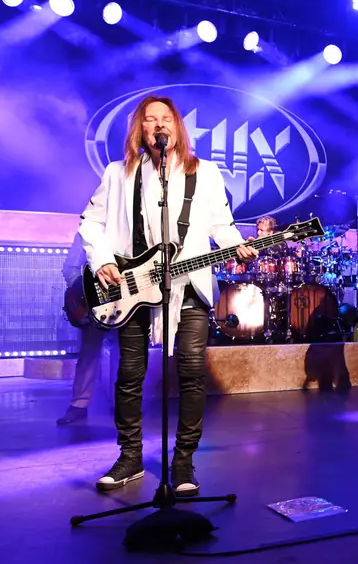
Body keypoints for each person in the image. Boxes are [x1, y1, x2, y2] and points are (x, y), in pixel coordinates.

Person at [78, 95, 258, 495]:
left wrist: (238, 244)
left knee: (192, 374)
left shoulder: (205, 173)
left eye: (165, 119)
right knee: (130, 375)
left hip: (189, 285)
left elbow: (220, 225)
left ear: (177, 127)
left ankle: (183, 463)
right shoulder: (118, 173)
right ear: (139, 129)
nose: (158, 125)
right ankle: (130, 458)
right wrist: (103, 260)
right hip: (132, 289)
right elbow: (90, 223)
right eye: (149, 119)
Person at [57, 231, 116, 425]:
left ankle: (122, 403)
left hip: (128, 301)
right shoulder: (89, 230)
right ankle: (79, 404)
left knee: (125, 352)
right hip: (95, 305)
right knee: (89, 352)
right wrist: (88, 294)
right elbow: (70, 268)